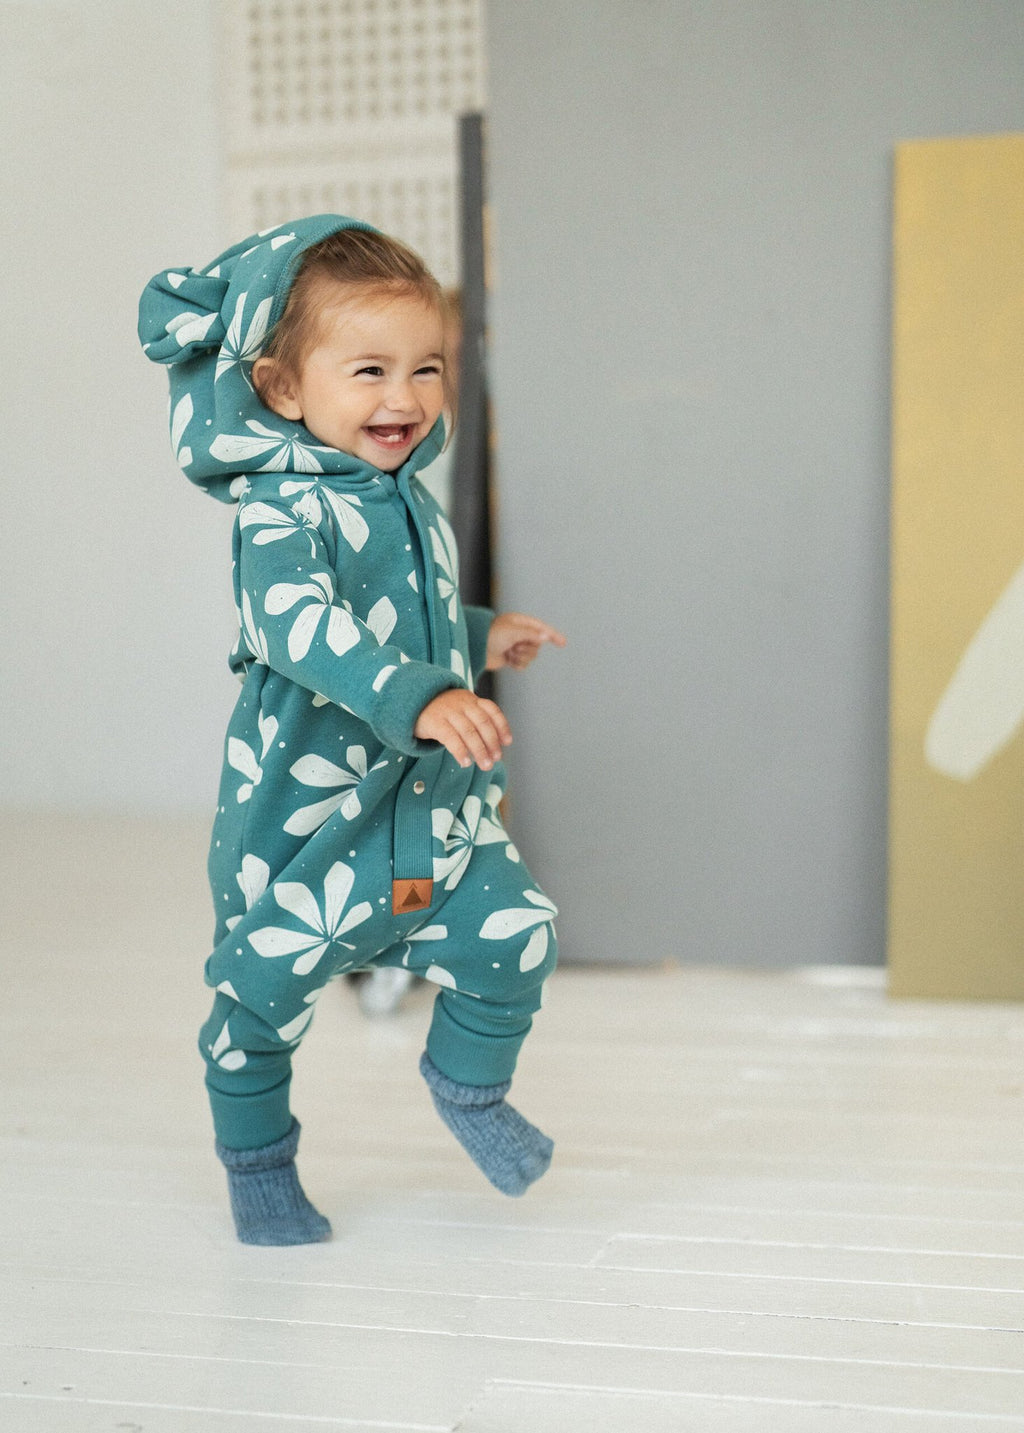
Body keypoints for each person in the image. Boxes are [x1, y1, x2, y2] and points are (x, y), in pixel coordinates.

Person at [138, 215, 566, 1245]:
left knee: (519, 932)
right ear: (285, 389)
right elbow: (301, 628)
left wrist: (477, 633)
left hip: (423, 810)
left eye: (427, 368)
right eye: (369, 369)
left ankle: (467, 1087)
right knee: (258, 1007)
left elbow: (400, 617)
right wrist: (421, 695)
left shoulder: (408, 500)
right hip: (308, 823)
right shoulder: (280, 508)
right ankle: (260, 1165)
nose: (404, 398)